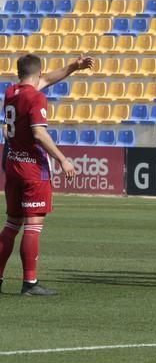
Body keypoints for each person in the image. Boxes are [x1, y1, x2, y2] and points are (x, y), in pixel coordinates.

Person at [0, 54, 94, 296]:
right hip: (33, 169)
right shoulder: (36, 97)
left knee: (11, 224)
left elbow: (48, 79)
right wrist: (63, 160)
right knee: (33, 225)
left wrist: (73, 67)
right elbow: (40, 134)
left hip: (13, 165)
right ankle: (30, 283)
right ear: (39, 73)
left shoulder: (11, 93)